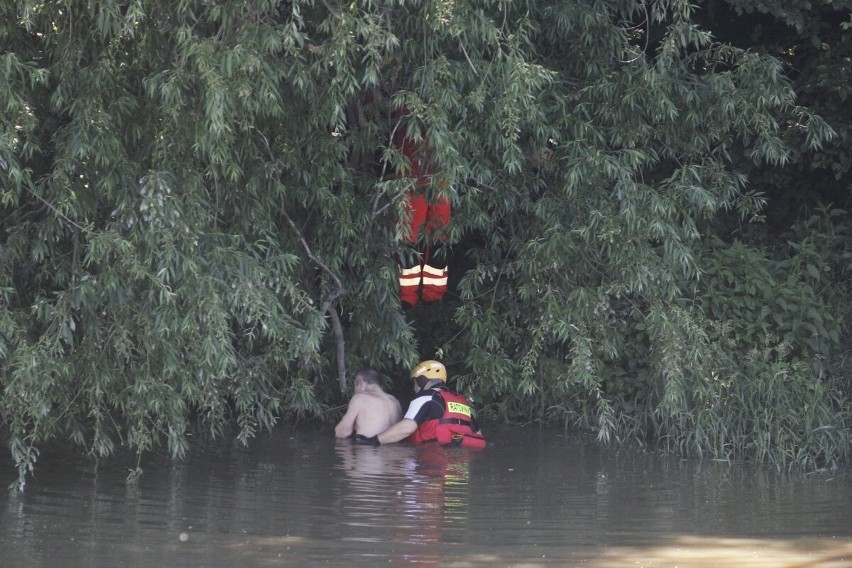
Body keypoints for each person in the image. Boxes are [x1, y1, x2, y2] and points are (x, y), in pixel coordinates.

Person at [358, 360, 486, 449]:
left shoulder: (426, 396)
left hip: (434, 458)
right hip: (461, 463)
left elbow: (406, 428)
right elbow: (478, 434)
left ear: (421, 380)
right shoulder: (461, 401)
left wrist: (373, 441)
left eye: (414, 382)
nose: (414, 388)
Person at [334, 368, 402, 439]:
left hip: (367, 448)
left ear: (360, 383)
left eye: (355, 386)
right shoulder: (395, 401)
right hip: (395, 449)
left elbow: (342, 432)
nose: (355, 391)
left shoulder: (360, 398)